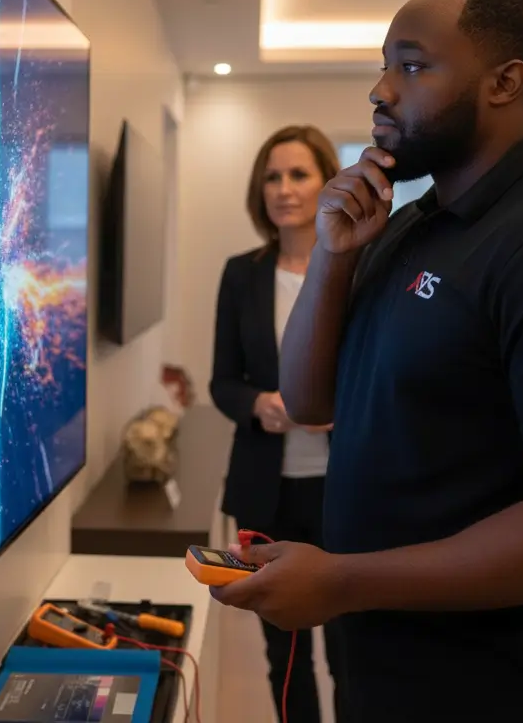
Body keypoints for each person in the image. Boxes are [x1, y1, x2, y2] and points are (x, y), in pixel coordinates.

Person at [212, 0, 523, 722]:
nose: (380, 90)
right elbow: (309, 400)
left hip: (494, 686)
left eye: (412, 66)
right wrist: (333, 255)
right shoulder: (407, 227)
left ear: (505, 82)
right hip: (386, 663)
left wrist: (345, 580)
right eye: (385, 65)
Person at [209, 124, 347, 723]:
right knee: (283, 654)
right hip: (264, 493)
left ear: (327, 182)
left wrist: (336, 413)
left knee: (349, 649)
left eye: (298, 174)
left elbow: (382, 375)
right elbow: (222, 382)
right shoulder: (241, 273)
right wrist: (258, 403)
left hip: (345, 488)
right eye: (272, 176)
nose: (283, 189)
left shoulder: (355, 268)